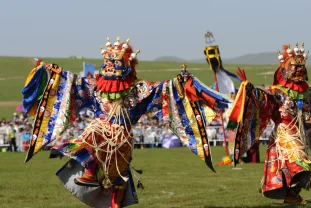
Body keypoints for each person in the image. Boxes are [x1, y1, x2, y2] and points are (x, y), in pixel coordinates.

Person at [21, 36, 232, 207]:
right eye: (108, 63)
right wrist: (53, 73)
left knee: (118, 180)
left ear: (127, 66)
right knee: (91, 136)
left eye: (116, 63)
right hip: (101, 134)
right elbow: (72, 82)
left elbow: (165, 89)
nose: (111, 67)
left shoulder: (140, 90)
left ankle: (108, 194)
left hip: (122, 140)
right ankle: (89, 173)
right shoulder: (95, 86)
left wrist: (180, 82)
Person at [227, 43, 311, 205]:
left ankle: (292, 194)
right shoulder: (278, 91)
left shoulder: (308, 93)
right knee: (299, 160)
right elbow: (263, 98)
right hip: (284, 132)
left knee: (295, 163)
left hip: (298, 132)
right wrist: (251, 90)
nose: (299, 69)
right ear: (285, 69)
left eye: (301, 66)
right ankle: (292, 192)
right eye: (295, 66)